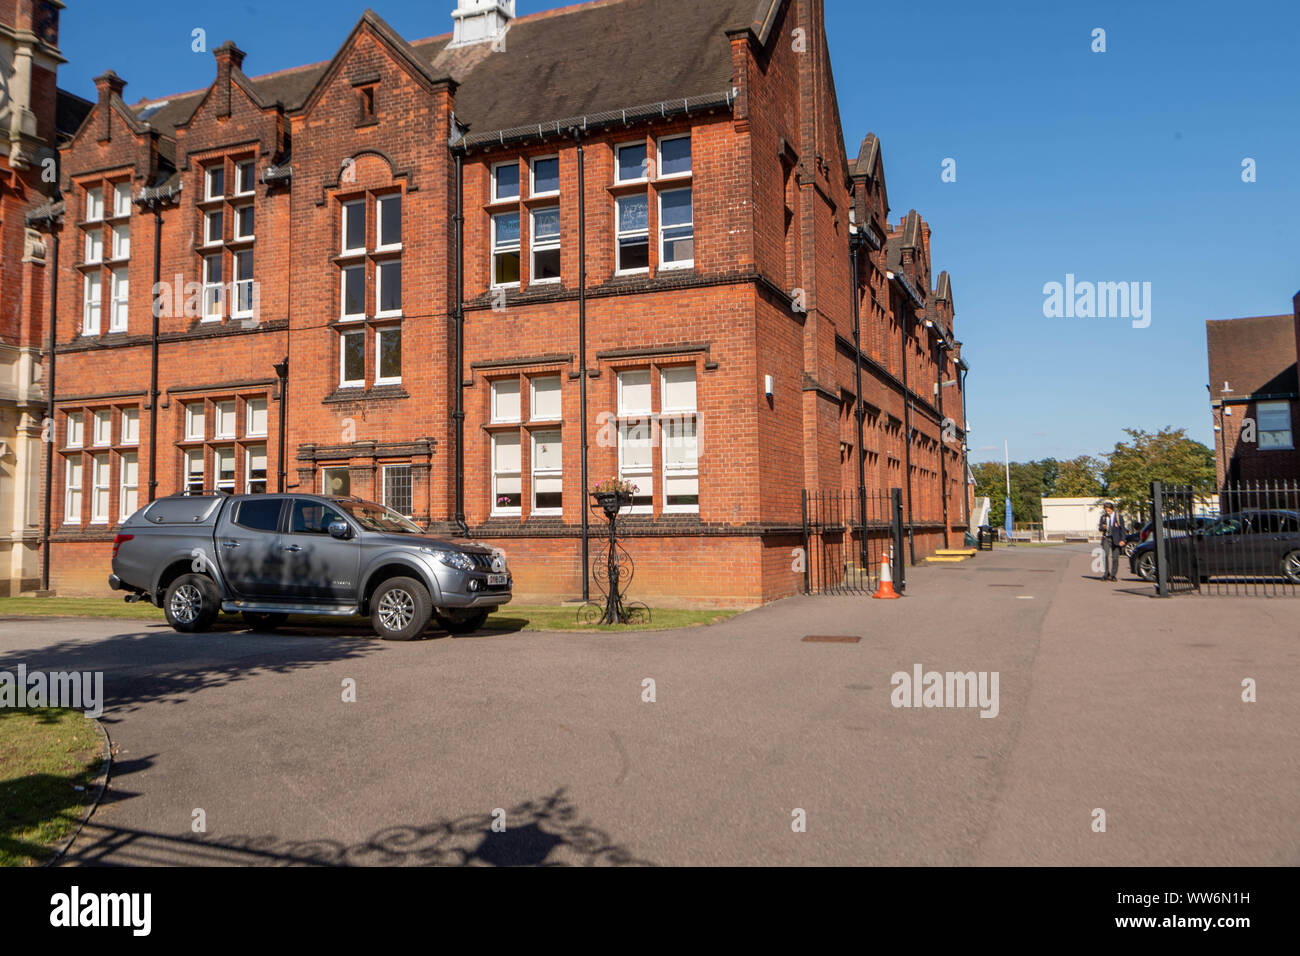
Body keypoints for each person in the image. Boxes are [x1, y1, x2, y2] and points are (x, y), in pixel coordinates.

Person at [1098, 501, 1126, 581]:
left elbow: (1122, 529)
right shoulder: (1103, 517)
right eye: (1106, 511)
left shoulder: (1118, 517)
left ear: (1112, 509)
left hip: (1116, 539)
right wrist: (1103, 527)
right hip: (1106, 538)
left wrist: (1123, 539)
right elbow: (1100, 528)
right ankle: (1106, 574)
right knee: (1105, 556)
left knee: (1115, 558)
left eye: (1109, 510)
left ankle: (1113, 575)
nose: (1107, 512)